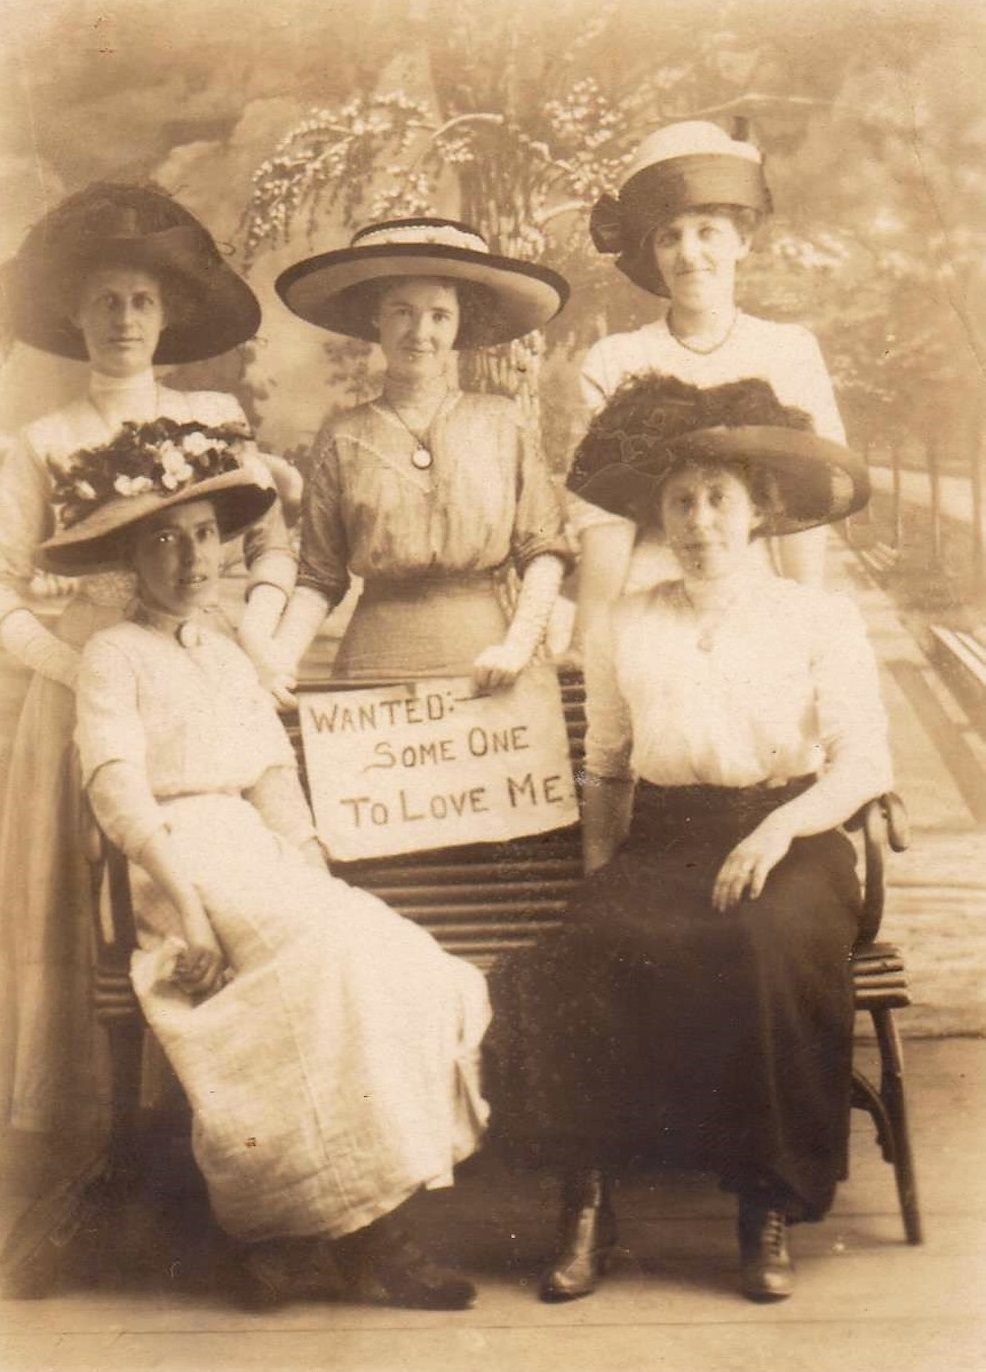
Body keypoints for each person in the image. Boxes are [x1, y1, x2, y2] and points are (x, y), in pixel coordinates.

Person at [35, 432, 489, 1310]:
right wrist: (189, 913)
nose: (190, 558)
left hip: (256, 850)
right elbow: (118, 790)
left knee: (396, 960)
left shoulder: (227, 649)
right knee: (326, 967)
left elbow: (273, 777)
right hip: (177, 856)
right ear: (131, 557)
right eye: (164, 540)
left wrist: (314, 867)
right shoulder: (112, 657)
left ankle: (342, 1227)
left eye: (204, 536)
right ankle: (321, 1233)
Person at [485, 373, 891, 1305]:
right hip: (669, 838)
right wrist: (601, 877)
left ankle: (765, 1208)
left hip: (799, 831)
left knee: (761, 941)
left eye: (720, 499)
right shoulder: (631, 622)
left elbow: (863, 765)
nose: (701, 520)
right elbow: (609, 766)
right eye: (682, 502)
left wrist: (777, 832)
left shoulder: (817, 617)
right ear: (661, 518)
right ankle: (589, 1206)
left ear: (760, 511)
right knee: (585, 948)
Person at [0, 183, 297, 1148]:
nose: (123, 320)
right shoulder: (36, 447)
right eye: (105, 301)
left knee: (225, 897)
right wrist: (71, 667)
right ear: (75, 315)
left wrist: (251, 640)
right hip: (78, 698)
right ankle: (95, 1149)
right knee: (85, 934)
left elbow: (272, 551)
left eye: (141, 301)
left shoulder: (212, 415)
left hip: (202, 695)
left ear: (167, 317)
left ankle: (216, 1140)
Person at [264, 217, 572, 696]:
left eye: (439, 315)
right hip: (374, 669)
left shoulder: (500, 422)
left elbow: (543, 551)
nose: (419, 332)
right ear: (376, 319)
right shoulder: (343, 436)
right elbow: (319, 577)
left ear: (458, 323)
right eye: (402, 312)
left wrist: (517, 646)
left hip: (485, 664)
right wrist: (277, 659)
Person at [571, 119, 846, 650]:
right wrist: (594, 640)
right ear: (652, 251)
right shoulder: (616, 359)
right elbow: (604, 523)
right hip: (650, 607)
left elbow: (808, 507)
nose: (689, 254)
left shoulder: (788, 352)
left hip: (760, 603)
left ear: (743, 240)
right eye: (668, 237)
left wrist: (806, 630)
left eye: (707, 232)